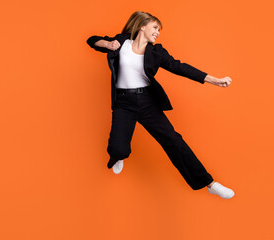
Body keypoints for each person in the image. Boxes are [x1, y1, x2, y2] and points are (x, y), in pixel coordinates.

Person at [86, 11, 234, 199]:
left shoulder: (156, 52)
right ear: (142, 26)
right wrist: (107, 44)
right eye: (155, 27)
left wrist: (212, 79)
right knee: (118, 149)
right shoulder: (122, 42)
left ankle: (209, 183)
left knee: (173, 140)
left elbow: (179, 67)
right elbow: (92, 40)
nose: (158, 32)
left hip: (147, 102)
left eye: (159, 30)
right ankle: (119, 156)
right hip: (123, 103)